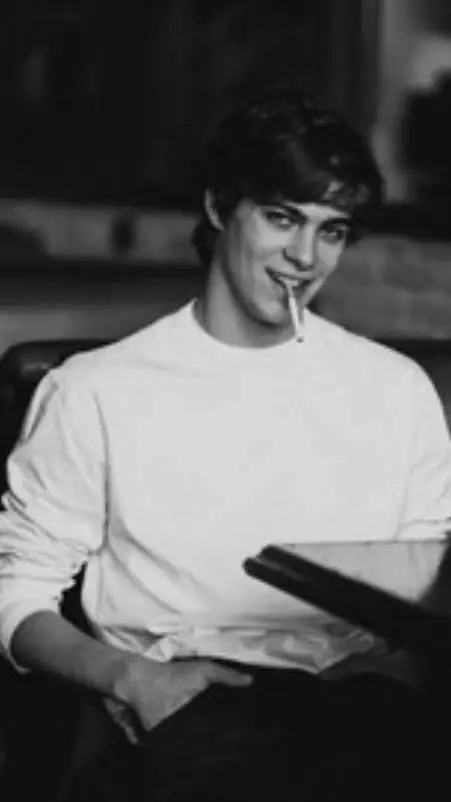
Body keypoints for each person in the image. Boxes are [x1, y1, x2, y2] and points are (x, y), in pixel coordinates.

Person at [0, 78, 450, 801]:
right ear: (218, 207)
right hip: (186, 695)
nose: (304, 255)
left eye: (331, 230)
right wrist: (133, 679)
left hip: (357, 697)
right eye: (281, 217)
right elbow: (16, 592)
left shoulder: (395, 389)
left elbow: (426, 580)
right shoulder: (96, 389)